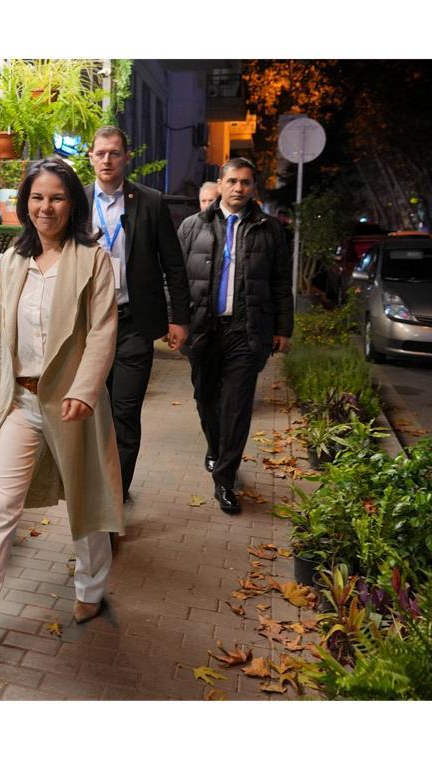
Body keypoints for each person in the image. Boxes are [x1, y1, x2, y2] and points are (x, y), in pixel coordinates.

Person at [0, 157, 123, 667]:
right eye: (38, 197)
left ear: (73, 203)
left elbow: (104, 330)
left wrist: (86, 389)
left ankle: (91, 587)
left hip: (74, 404)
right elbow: (6, 335)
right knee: (0, 511)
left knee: (86, 504)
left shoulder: (93, 259)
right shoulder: (15, 260)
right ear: (26, 203)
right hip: (21, 402)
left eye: (57, 198)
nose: (46, 207)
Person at [177, 157, 293, 515]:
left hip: (247, 330)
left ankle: (225, 480)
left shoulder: (270, 230)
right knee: (205, 398)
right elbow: (176, 279)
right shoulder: (193, 226)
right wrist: (175, 322)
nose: (239, 188)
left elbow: (280, 283)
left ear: (253, 187)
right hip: (203, 330)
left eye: (246, 182)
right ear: (221, 183)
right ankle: (215, 447)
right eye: (232, 181)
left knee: (237, 407)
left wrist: (283, 329)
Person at [86, 125, 191, 501]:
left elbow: (173, 265)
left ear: (127, 157)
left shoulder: (150, 201)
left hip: (133, 324)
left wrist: (179, 319)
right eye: (101, 153)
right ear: (91, 157)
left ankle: (115, 494)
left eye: (114, 153)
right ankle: (93, 485)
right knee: (91, 412)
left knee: (125, 413)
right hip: (88, 328)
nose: (107, 160)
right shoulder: (77, 202)